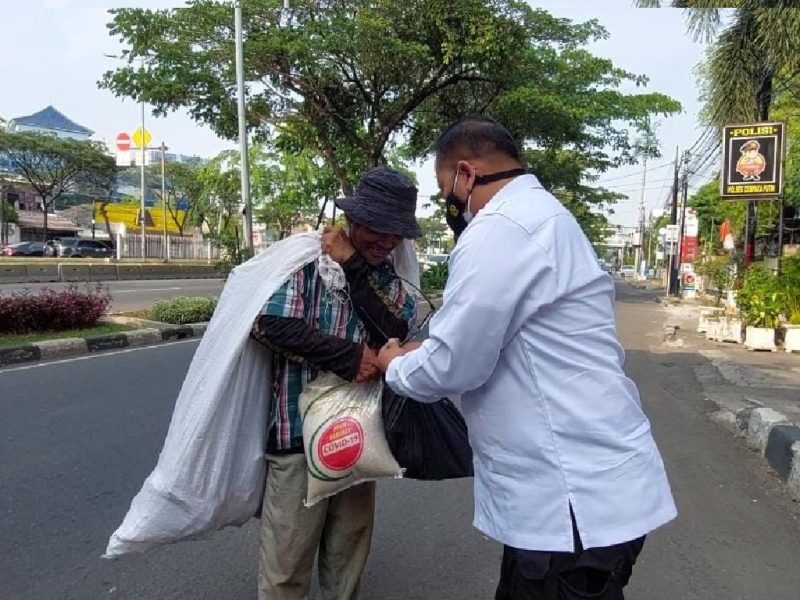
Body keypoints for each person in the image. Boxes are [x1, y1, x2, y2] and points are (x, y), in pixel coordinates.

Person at [376, 115, 676, 600]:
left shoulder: (499, 229)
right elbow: (504, 336)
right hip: (578, 499)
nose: (449, 204)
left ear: (466, 174)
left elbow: (454, 364)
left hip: (568, 504)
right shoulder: (543, 215)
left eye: (446, 189)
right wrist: (428, 351)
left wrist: (395, 365)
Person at [251, 166, 419, 600]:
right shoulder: (306, 264)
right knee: (287, 564)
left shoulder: (386, 277)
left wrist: (354, 266)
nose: (386, 241)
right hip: (296, 437)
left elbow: (394, 331)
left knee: (348, 555)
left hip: (360, 436)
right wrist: (348, 357)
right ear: (352, 220)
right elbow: (269, 324)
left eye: (396, 233)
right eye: (377, 228)